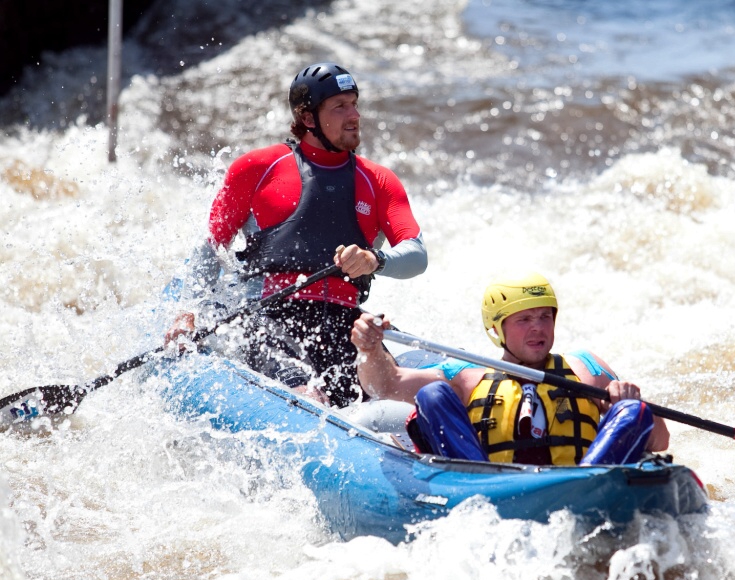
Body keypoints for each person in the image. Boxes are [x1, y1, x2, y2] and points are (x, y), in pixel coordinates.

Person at [165, 63, 427, 407]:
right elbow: (211, 249)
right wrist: (188, 311)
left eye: (354, 103)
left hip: (344, 323)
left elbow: (416, 256)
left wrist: (374, 259)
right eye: (340, 107)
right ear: (307, 118)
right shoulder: (258, 168)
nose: (354, 115)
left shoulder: (378, 181)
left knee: (398, 407)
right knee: (308, 400)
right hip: (269, 320)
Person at [350, 274, 669, 465]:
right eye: (524, 320)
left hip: (583, 483)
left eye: (545, 317)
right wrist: (369, 348)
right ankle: (474, 484)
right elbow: (384, 384)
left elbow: (660, 440)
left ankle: (592, 483)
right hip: (492, 493)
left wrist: (629, 400)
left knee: (635, 410)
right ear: (497, 329)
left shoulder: (586, 368)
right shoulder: (466, 374)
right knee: (433, 395)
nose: (538, 328)